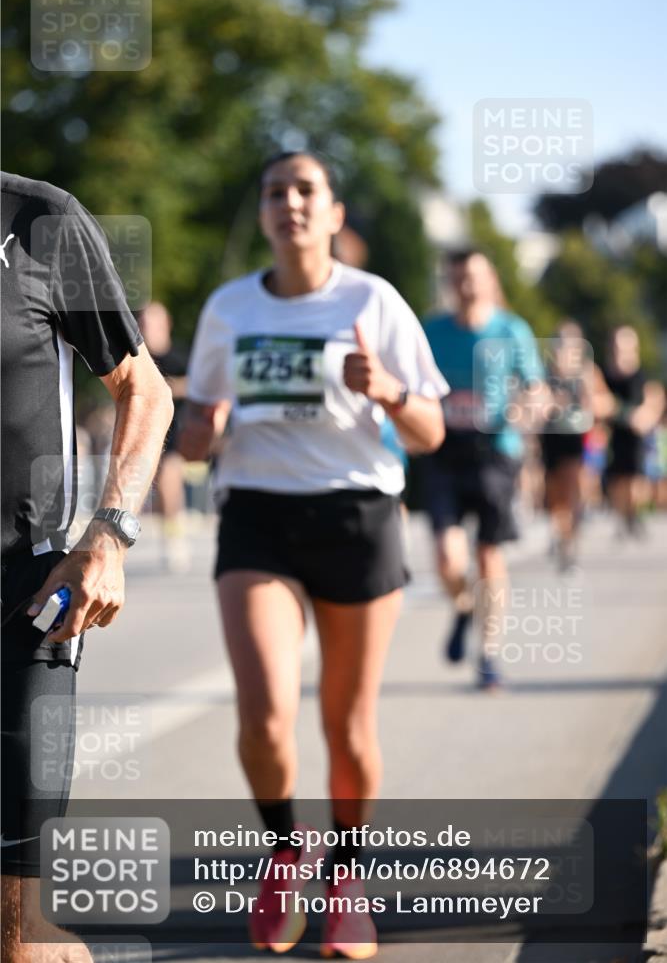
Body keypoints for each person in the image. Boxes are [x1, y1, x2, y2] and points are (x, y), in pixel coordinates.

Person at [179, 151, 448, 958]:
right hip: (256, 514)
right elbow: (196, 435)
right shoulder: (228, 307)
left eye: (306, 191)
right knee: (263, 716)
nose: (289, 203)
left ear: (333, 213)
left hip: (355, 512)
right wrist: (203, 431)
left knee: (347, 728)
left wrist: (387, 390)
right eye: (274, 192)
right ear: (262, 213)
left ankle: (348, 877)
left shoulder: (373, 300)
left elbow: (431, 432)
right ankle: (285, 850)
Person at [1, 172, 173, 963]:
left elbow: (144, 389)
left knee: (17, 929)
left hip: (24, 604)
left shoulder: (42, 222)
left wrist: (108, 536)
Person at [420, 248, 546, 689]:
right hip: (444, 451)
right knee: (445, 558)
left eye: (473, 276)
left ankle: (489, 654)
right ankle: (463, 606)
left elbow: (537, 391)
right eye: (457, 278)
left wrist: (524, 408)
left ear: (490, 279)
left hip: (495, 452)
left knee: (489, 555)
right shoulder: (431, 330)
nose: (466, 286)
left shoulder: (512, 331)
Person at [540, 321, 608, 571]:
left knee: (573, 489)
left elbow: (604, 403)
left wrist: (588, 402)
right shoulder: (545, 373)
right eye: (559, 343)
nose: (563, 349)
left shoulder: (587, 373)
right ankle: (560, 534)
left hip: (577, 439)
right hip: (550, 438)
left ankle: (569, 542)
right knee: (554, 494)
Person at [136, 301, 191, 571]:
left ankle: (175, 538)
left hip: (177, 429)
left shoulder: (180, 356)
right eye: (143, 323)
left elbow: (199, 384)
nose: (148, 328)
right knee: (155, 490)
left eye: (154, 322)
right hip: (146, 430)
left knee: (170, 481)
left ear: (166, 325)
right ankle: (170, 531)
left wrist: (169, 387)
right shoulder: (136, 357)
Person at [602, 326, 665, 537]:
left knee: (637, 475)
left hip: (638, 433)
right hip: (616, 432)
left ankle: (634, 513)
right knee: (618, 477)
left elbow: (654, 396)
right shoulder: (607, 373)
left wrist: (647, 415)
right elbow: (602, 401)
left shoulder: (642, 373)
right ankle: (623, 515)